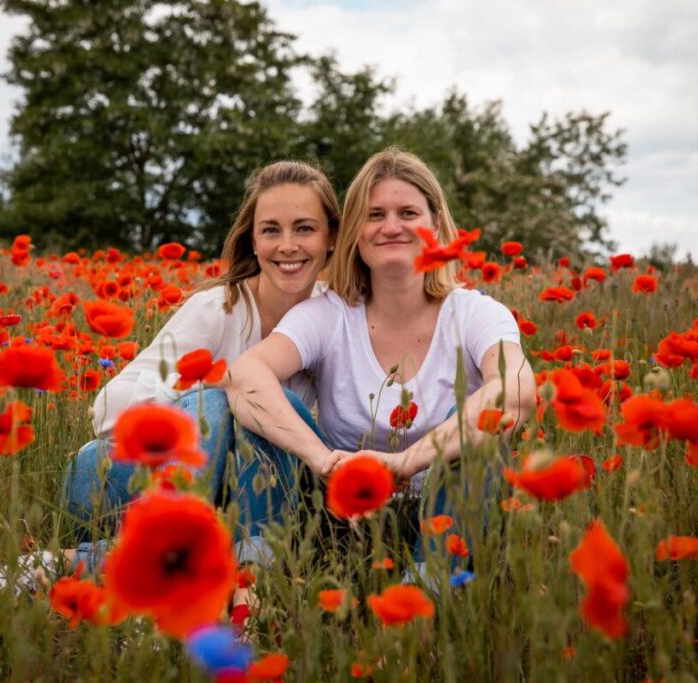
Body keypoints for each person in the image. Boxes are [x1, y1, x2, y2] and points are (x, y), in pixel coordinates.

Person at [223, 147, 537, 572]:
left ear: (436, 226)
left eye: (407, 213)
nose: (391, 227)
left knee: (477, 426)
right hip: (339, 517)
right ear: (354, 231)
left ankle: (431, 589)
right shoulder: (329, 314)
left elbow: (515, 391)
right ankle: (254, 577)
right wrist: (322, 459)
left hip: (445, 512)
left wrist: (403, 463)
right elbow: (246, 375)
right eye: (374, 215)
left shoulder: (475, 314)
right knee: (265, 410)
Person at [59, 160, 341, 576]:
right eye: (271, 230)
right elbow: (104, 410)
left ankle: (214, 570)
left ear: (331, 236)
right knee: (229, 398)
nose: (287, 245)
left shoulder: (333, 319)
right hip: (113, 482)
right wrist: (220, 384)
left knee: (261, 405)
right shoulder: (218, 308)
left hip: (233, 502)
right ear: (252, 239)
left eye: (304, 228)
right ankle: (158, 556)